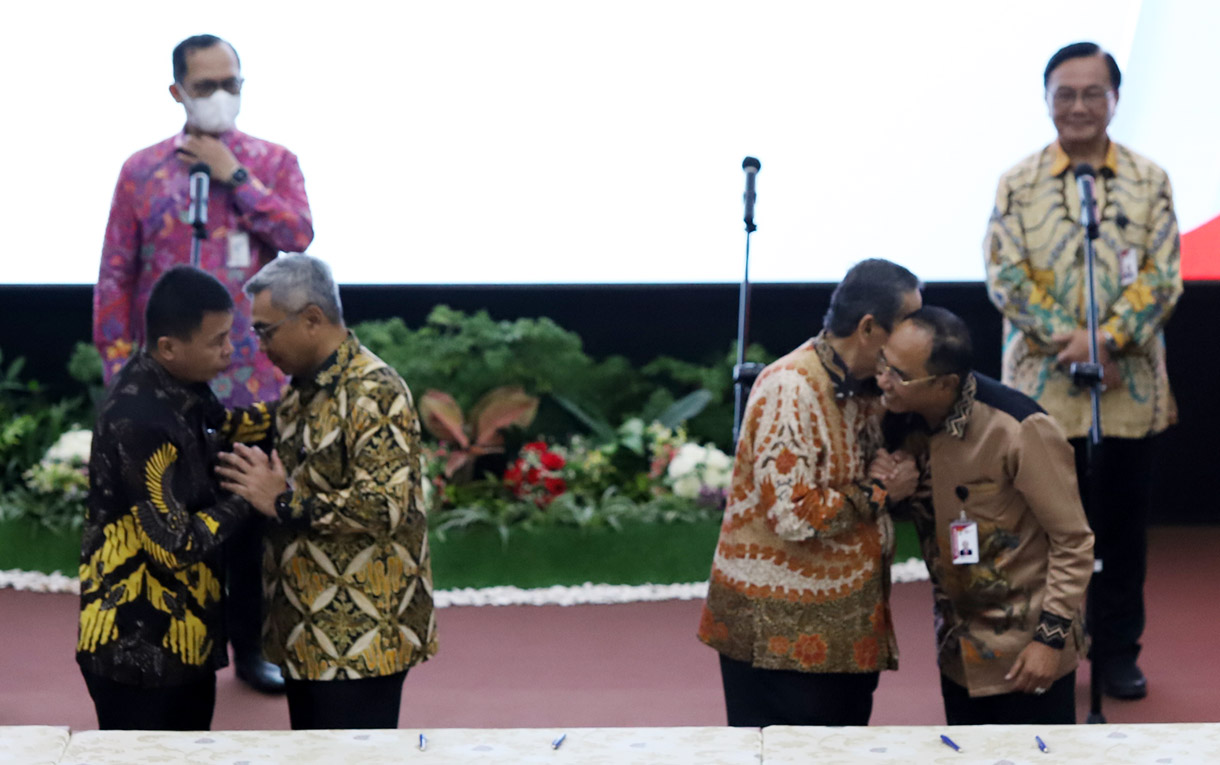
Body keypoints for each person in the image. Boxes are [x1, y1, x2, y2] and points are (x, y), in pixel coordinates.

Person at [93, 33, 315, 693]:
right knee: (169, 511)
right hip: (162, 384)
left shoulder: (272, 162)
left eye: (231, 84)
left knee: (246, 513)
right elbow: (115, 275)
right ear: (178, 92)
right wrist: (117, 376)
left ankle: (253, 646)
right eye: (207, 85)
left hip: (251, 373)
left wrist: (234, 176)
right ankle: (175, 642)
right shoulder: (142, 171)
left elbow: (298, 237)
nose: (221, 96)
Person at [983, 41, 1181, 699]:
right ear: (1047, 100)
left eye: (1092, 93)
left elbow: (1162, 274)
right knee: (1040, 535)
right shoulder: (1019, 181)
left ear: (1115, 99)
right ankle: (1049, 655)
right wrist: (1072, 340)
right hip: (1040, 395)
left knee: (1120, 536)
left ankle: (1118, 652)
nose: (1078, 106)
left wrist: (1111, 338)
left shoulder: (1150, 180)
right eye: (1064, 93)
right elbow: (1005, 275)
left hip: (1127, 393)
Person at [697, 258, 922, 727]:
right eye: (909, 321)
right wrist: (880, 490)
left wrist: (894, 475)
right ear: (868, 327)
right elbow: (794, 514)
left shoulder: (862, 390)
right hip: (783, 643)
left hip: (844, 636)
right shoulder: (791, 387)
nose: (919, 333)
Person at [216, 254, 438, 729]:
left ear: (312, 319)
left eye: (266, 331)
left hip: (361, 639)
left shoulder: (374, 391)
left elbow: (384, 507)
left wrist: (282, 501)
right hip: (307, 634)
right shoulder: (302, 387)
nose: (261, 346)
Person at [876, 306, 1094, 725]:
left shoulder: (1018, 428)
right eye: (884, 362)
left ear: (944, 384)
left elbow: (1074, 541)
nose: (884, 379)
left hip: (1027, 653)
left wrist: (1049, 640)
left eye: (899, 374)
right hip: (958, 651)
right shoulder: (901, 419)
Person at [77, 267, 274, 730]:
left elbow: (227, 425)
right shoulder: (139, 419)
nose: (230, 350)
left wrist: (299, 405)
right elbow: (173, 545)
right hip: (138, 651)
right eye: (217, 341)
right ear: (169, 346)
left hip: (184, 644)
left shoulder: (179, 384)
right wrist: (249, 495)